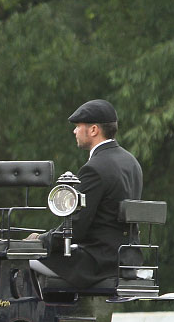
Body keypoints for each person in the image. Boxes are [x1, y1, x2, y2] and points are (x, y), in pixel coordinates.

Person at [30, 99, 143, 288]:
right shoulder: (131, 162)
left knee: (20, 259)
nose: (74, 131)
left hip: (99, 263)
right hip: (127, 259)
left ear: (93, 130)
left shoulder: (95, 168)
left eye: (78, 126)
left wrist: (40, 239)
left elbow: (76, 227)